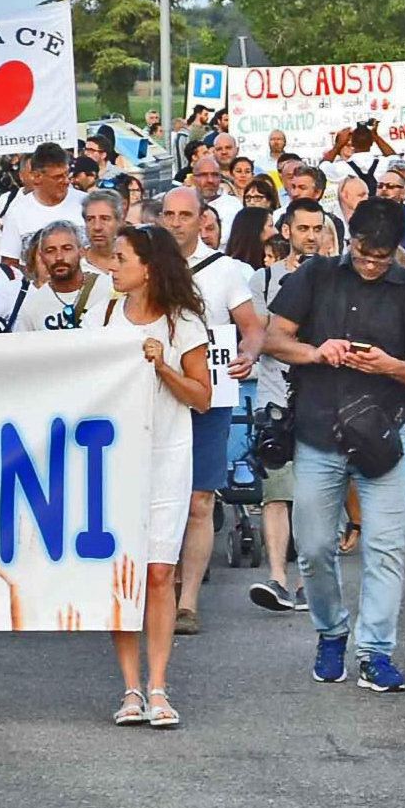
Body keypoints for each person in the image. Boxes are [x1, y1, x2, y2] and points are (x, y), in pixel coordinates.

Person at [264, 200, 405, 694]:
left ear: (397, 252)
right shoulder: (316, 277)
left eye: (381, 260)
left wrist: (389, 365)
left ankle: (375, 651)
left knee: (385, 548)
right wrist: (317, 352)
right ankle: (331, 631)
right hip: (319, 431)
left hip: (385, 435)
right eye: (364, 254)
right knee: (317, 547)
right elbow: (273, 339)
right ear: (349, 240)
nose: (370, 265)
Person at [105, 224, 214, 731]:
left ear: (146, 266)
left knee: (159, 571)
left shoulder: (183, 322)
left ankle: (159, 685)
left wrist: (163, 364)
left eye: (121, 257)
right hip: (115, 458)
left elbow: (201, 396)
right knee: (123, 572)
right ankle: (130, 686)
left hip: (167, 454)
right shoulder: (104, 314)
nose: (112, 265)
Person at [156, 188, 263, 634]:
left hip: (210, 396)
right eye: (169, 215)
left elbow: (253, 327)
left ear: (202, 220)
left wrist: (249, 353)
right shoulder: (147, 266)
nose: (177, 222)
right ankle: (160, 584)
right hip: (159, 395)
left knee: (200, 499)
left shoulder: (223, 272)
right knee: (161, 498)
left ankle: (188, 601)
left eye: (186, 215)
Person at [247, 198, 330, 613]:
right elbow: (260, 336)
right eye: (303, 229)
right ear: (287, 232)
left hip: (321, 401)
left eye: (318, 229)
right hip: (275, 399)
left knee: (313, 495)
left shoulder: (337, 280)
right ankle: (277, 578)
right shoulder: (263, 280)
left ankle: (306, 582)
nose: (310, 236)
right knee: (275, 492)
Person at [12, 222, 112, 331]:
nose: (59, 257)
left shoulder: (107, 289)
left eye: (67, 248)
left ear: (81, 252)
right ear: (41, 256)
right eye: (50, 251)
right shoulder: (32, 307)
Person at [0, 143, 80, 271]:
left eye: (66, 174)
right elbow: (9, 263)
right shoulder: (17, 211)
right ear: (36, 177)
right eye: (57, 177)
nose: (66, 181)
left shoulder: (86, 203)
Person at [80, 189, 124, 278]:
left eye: (105, 218)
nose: (97, 227)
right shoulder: (75, 266)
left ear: (119, 221)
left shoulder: (134, 264)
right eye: (90, 219)